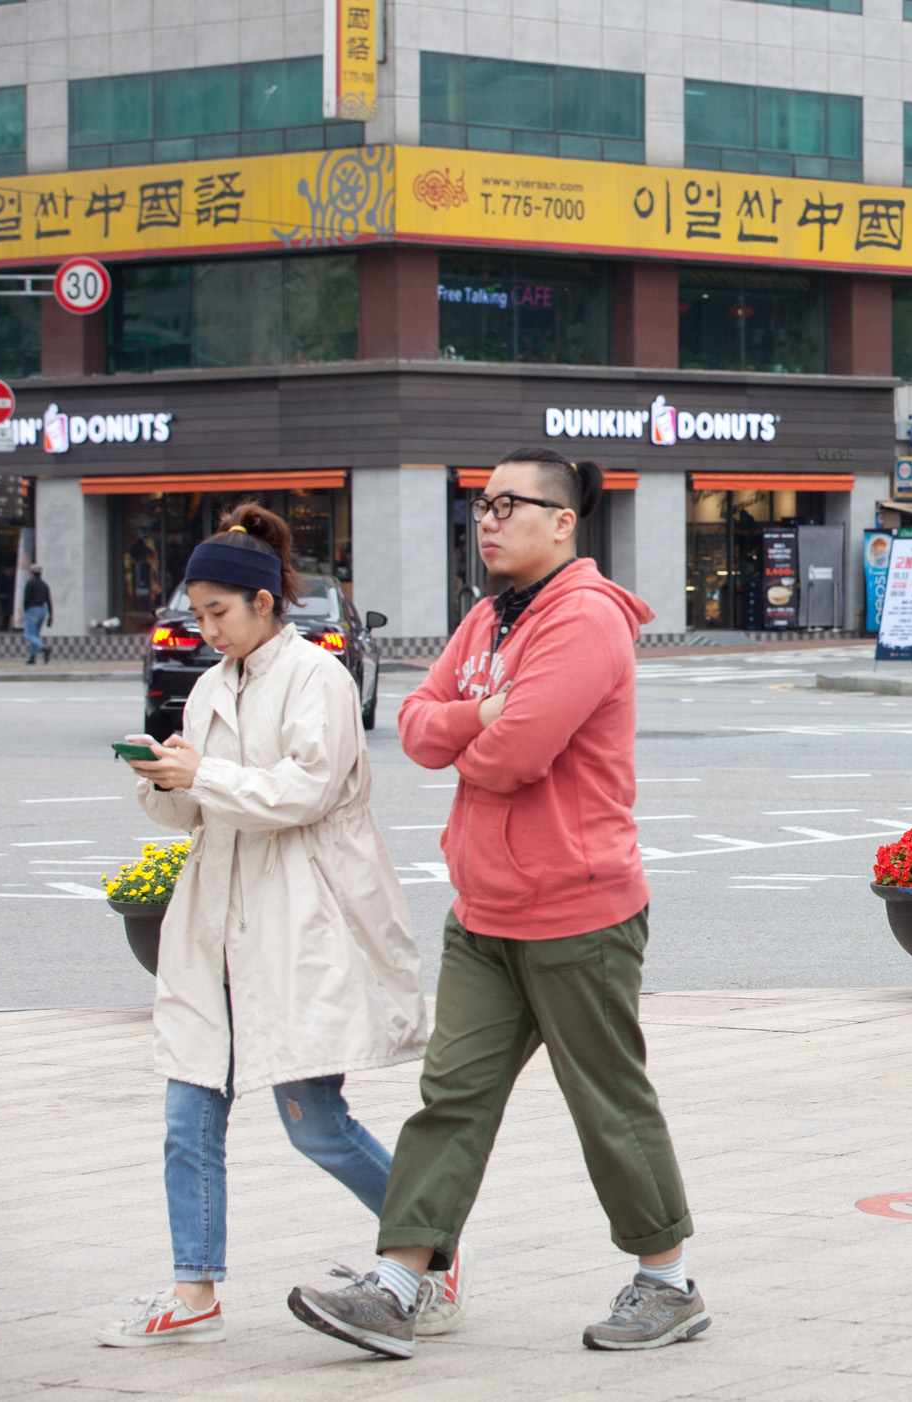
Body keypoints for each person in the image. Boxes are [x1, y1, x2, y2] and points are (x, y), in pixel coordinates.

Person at [289, 448, 704, 1358]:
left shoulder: (585, 620)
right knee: (451, 1097)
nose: (488, 519)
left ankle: (668, 1281)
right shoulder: (486, 619)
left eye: (509, 504)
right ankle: (398, 1285)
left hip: (579, 910)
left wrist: (472, 732)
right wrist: (477, 719)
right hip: (483, 910)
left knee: (606, 1100)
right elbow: (411, 726)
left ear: (563, 521)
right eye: (480, 504)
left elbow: (516, 757)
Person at [98, 503, 428, 1348]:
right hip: (217, 919)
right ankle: (194, 1285)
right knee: (188, 1111)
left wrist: (203, 773)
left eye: (219, 612)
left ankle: (429, 1248)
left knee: (315, 1123)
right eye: (196, 614)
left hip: (298, 917)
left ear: (264, 603)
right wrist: (164, 778)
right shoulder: (211, 686)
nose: (206, 630)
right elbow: (197, 815)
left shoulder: (315, 677)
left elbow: (305, 791)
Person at [22, 563, 52, 665]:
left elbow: (26, 598)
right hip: (42, 610)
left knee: (29, 634)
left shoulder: (30, 583)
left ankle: (44, 648)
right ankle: (32, 657)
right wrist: (51, 616)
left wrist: (25, 609)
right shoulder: (44, 585)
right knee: (35, 635)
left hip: (32, 609)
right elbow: (49, 600)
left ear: (31, 573)